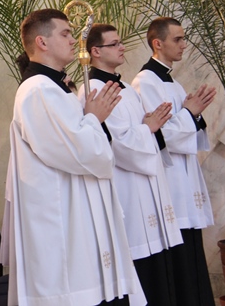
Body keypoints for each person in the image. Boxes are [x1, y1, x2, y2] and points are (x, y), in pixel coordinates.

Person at [5, 8, 142, 306]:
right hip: (61, 216)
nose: (74, 40)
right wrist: (94, 118)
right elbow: (79, 152)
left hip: (74, 207)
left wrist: (92, 117)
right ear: (42, 42)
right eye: (66, 33)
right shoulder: (38, 90)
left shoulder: (56, 88)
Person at [82, 24, 183, 305]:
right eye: (115, 44)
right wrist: (148, 128)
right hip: (127, 188)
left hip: (146, 187)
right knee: (141, 267)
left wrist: (152, 125)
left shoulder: (124, 87)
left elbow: (140, 130)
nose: (122, 47)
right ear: (95, 51)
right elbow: (117, 144)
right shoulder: (94, 90)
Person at [131, 17, 216, 306]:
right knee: (179, 260)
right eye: (178, 39)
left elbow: (185, 127)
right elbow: (161, 134)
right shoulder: (145, 82)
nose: (184, 45)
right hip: (171, 181)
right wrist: (190, 113)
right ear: (158, 43)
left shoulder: (173, 83)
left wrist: (196, 113)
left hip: (185, 177)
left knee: (191, 254)